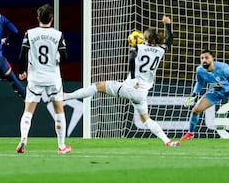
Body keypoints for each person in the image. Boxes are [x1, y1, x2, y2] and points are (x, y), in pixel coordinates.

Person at [64, 16, 180, 147]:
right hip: (142, 92)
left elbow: (131, 59)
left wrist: (134, 76)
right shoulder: (160, 50)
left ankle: (67, 96)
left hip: (131, 86)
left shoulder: (139, 47)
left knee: (98, 86)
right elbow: (169, 40)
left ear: (145, 39)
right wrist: (168, 25)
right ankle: (168, 141)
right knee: (146, 119)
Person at [16, 3, 71, 154]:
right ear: (52, 19)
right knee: (59, 111)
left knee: (28, 111)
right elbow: (65, 57)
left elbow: (22, 55)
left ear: (38, 18)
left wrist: (21, 71)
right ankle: (61, 146)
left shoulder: (30, 33)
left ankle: (24, 139)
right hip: (53, 78)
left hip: (35, 78)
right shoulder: (58, 35)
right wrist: (59, 57)